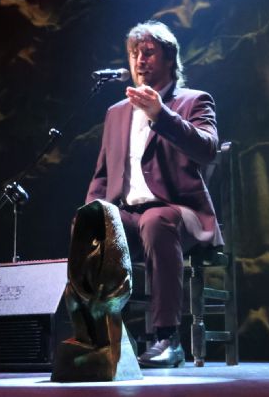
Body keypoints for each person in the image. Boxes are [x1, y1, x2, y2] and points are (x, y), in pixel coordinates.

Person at [85, 20, 223, 368]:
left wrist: (161, 115)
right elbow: (102, 176)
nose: (139, 60)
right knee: (89, 224)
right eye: (134, 54)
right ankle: (100, 334)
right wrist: (92, 214)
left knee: (156, 220)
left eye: (148, 52)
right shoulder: (116, 113)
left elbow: (208, 149)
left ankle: (168, 339)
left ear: (169, 58)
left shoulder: (194, 101)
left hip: (181, 214)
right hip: (129, 215)